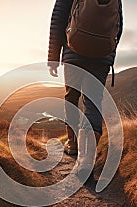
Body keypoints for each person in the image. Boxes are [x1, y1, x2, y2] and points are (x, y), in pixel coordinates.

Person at [47, 0, 123, 180]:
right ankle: (86, 161)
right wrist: (109, 54)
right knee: (93, 102)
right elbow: (118, 24)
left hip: (74, 52)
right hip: (102, 56)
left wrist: (53, 57)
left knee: (71, 97)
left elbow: (57, 20)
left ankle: (73, 145)